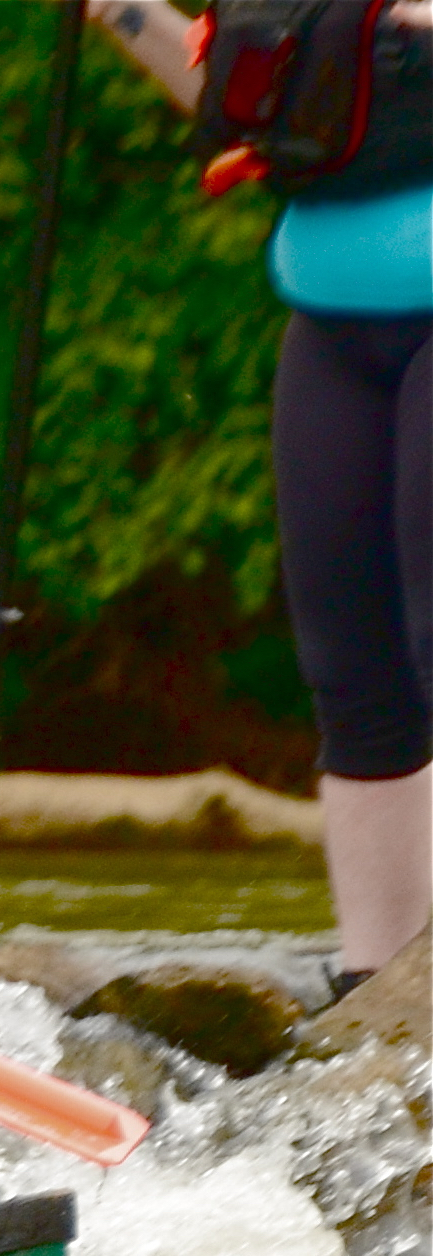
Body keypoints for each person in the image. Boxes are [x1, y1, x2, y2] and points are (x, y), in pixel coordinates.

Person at [83, 0, 432, 995]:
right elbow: (229, 108)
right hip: (329, 329)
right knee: (350, 673)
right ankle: (377, 996)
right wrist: (118, 11)